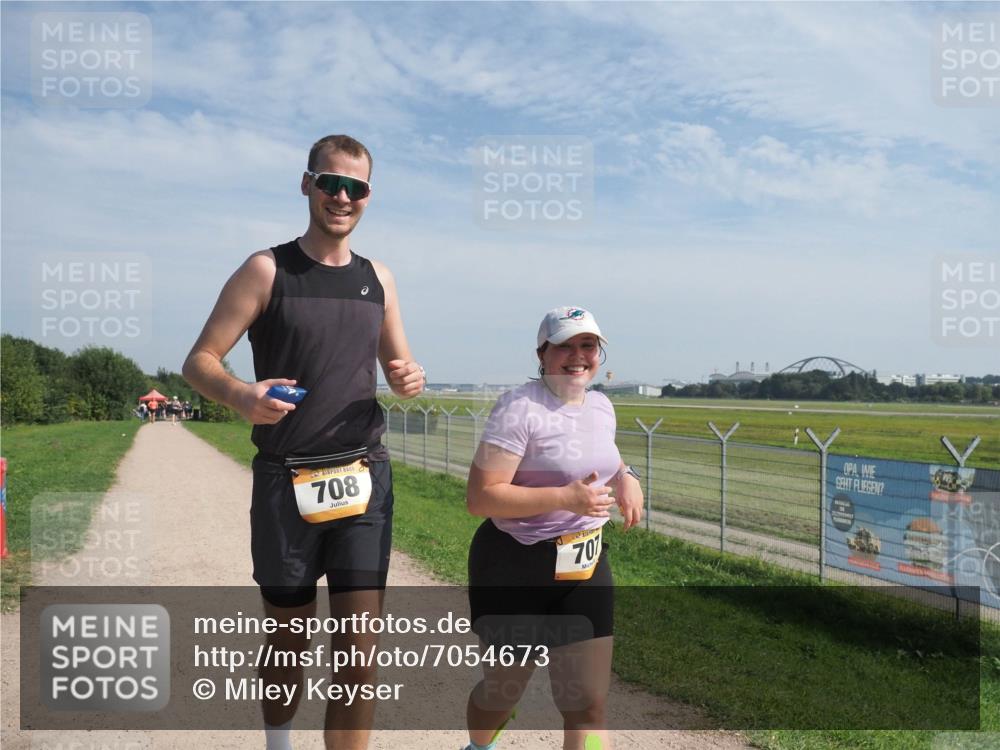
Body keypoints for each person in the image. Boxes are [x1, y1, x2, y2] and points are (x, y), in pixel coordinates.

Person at [182, 134, 425, 750]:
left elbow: (401, 369)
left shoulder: (380, 279)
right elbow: (200, 361)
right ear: (307, 185)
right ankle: (279, 743)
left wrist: (408, 378)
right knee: (289, 639)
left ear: (369, 196)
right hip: (286, 480)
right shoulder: (267, 269)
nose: (342, 197)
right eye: (330, 183)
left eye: (357, 187)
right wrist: (241, 395)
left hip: (362, 478)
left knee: (359, 651)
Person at [463, 306, 643, 750]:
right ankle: (479, 745)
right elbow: (481, 497)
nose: (577, 356)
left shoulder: (600, 405)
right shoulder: (519, 408)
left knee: (587, 704)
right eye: (564, 346)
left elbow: (605, 457)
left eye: (587, 345)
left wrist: (628, 477)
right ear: (542, 353)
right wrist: (564, 497)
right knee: (502, 693)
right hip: (514, 565)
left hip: (584, 564)